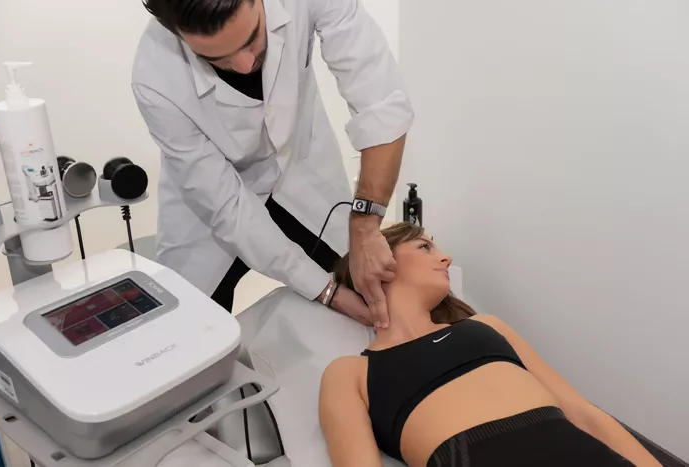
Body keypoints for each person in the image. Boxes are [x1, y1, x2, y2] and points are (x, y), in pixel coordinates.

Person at [132, 0, 412, 326]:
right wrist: (325, 291)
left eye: (252, 37)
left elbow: (381, 105)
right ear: (177, 35)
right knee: (192, 331)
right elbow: (228, 208)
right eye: (216, 59)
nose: (245, 64)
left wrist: (365, 226)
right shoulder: (154, 76)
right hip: (209, 213)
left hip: (298, 173)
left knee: (362, 287)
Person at [319, 222, 661, 467]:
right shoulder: (351, 373)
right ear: (378, 264)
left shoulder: (485, 326)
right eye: (424, 247)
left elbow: (584, 414)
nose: (446, 258)